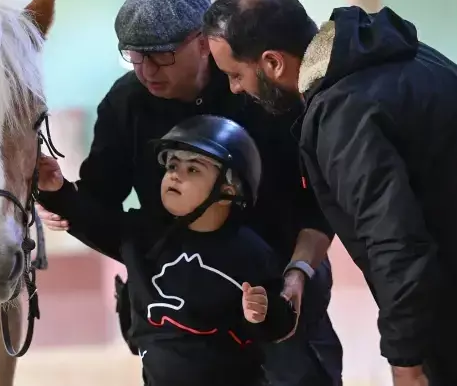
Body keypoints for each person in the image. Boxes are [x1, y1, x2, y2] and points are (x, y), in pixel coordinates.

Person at [36, 0, 343, 385]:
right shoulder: (126, 104)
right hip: (182, 315)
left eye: (161, 54)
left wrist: (298, 274)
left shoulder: (255, 86)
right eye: (135, 54)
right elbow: (102, 209)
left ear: (202, 40)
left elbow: (317, 202)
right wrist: (59, 196)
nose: (146, 70)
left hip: (276, 288)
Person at [202, 0, 457, 386]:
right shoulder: (385, 55)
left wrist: (406, 362)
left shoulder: (342, 114)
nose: (235, 88)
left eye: (236, 74)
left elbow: (395, 241)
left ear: (273, 63)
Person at [37, 115, 298, 386]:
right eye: (172, 165)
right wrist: (57, 189)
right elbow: (90, 221)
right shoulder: (142, 236)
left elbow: (281, 323)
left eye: (193, 170)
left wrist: (264, 313)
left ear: (228, 190)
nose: (175, 174)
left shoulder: (251, 252)